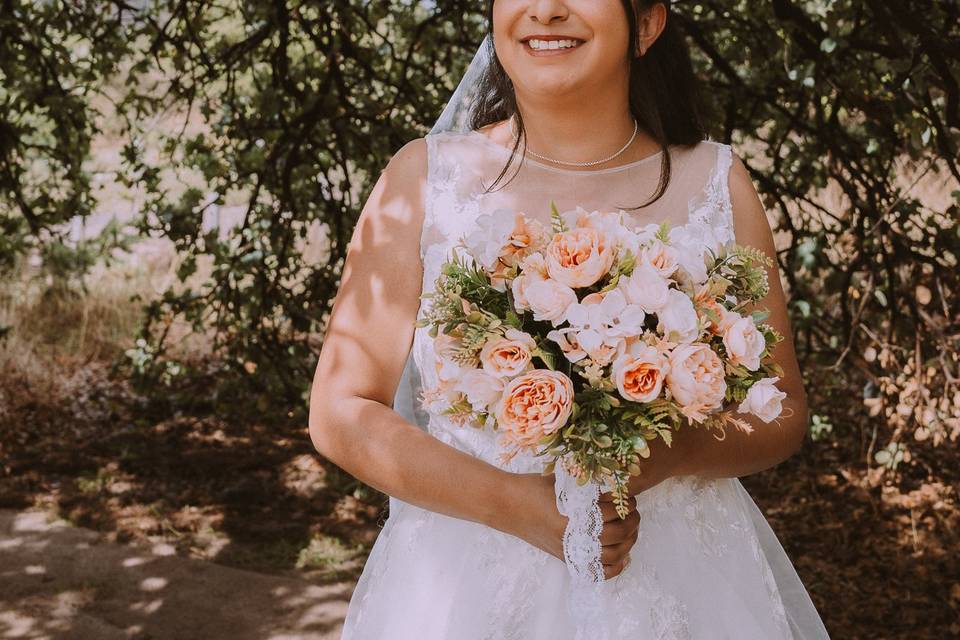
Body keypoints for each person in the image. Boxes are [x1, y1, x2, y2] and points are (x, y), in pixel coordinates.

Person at [308, 1, 831, 638]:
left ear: (645, 23)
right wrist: (513, 505)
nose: (547, 10)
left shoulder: (714, 181)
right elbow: (340, 411)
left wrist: (669, 451)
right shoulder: (423, 179)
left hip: (682, 575)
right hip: (463, 582)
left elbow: (782, 411)